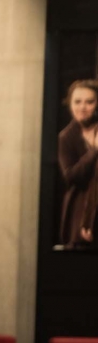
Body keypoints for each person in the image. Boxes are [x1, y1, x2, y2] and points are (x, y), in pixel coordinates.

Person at [57, 79, 98, 247]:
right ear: (70, 104)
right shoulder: (66, 137)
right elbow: (71, 176)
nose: (83, 107)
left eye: (89, 102)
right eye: (77, 102)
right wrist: (94, 151)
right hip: (80, 211)